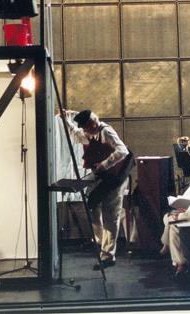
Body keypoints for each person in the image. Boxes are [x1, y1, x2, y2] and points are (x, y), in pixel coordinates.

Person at [61, 108, 132, 269]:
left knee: (110, 215)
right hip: (100, 175)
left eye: (87, 128)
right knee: (92, 207)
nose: (85, 132)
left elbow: (122, 151)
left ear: (93, 124)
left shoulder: (106, 132)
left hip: (115, 176)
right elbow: (75, 134)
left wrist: (105, 164)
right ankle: (100, 242)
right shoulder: (89, 132)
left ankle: (108, 255)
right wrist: (66, 120)